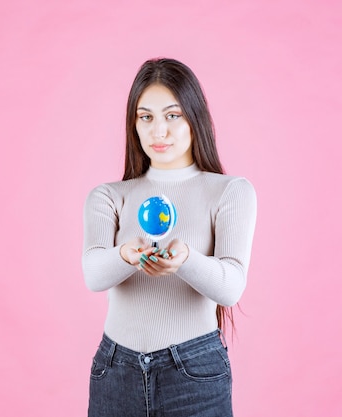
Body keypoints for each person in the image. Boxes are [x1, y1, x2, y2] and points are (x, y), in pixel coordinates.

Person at [82, 57, 257, 417]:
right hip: (115, 371)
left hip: (193, 374)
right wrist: (125, 256)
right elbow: (93, 274)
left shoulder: (230, 192)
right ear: (134, 124)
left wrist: (186, 259)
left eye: (172, 116)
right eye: (145, 117)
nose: (158, 131)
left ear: (195, 117)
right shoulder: (108, 196)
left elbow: (231, 287)